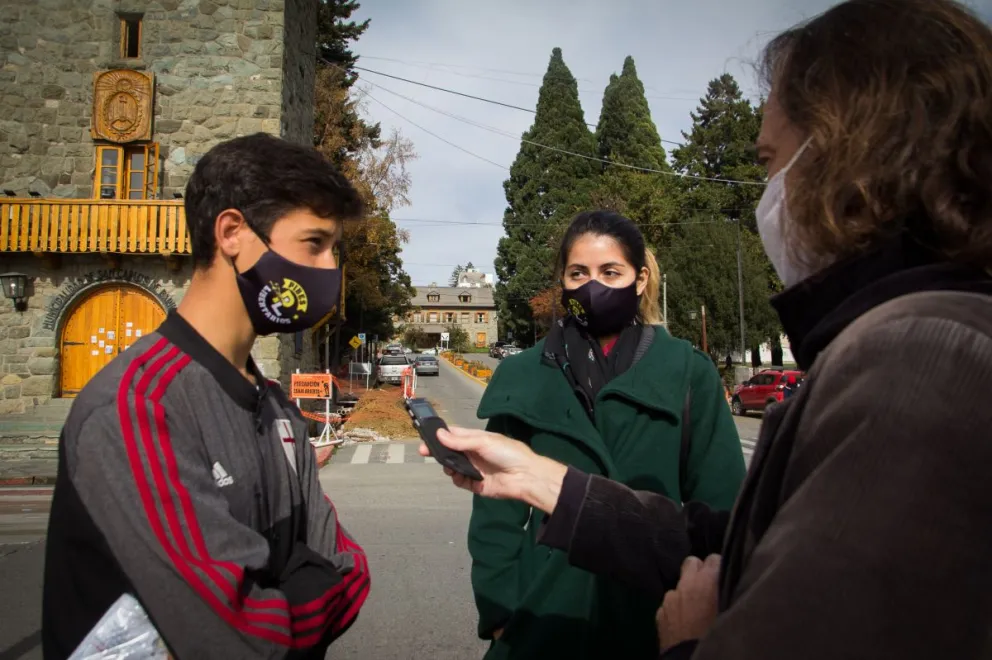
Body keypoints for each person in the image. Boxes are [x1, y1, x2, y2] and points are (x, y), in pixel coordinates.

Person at [425, 0, 992, 658]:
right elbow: (746, 541)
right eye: (577, 273)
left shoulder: (918, 362)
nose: (766, 193)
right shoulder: (901, 344)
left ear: (850, 156)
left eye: (768, 161)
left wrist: (691, 644)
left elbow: (784, 600)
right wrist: (542, 483)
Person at [42, 134, 371, 659]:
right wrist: (304, 592)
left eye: (335, 248)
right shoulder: (138, 408)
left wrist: (287, 597)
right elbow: (239, 637)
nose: (331, 269)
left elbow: (351, 564)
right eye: (314, 243)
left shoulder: (277, 406)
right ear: (233, 233)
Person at [466, 211, 746, 659]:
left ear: (640, 280)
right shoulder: (523, 374)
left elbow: (723, 507)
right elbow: (493, 513)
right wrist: (502, 611)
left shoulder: (688, 372)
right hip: (541, 621)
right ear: (563, 280)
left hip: (655, 618)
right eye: (579, 273)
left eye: (610, 272)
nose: (592, 286)